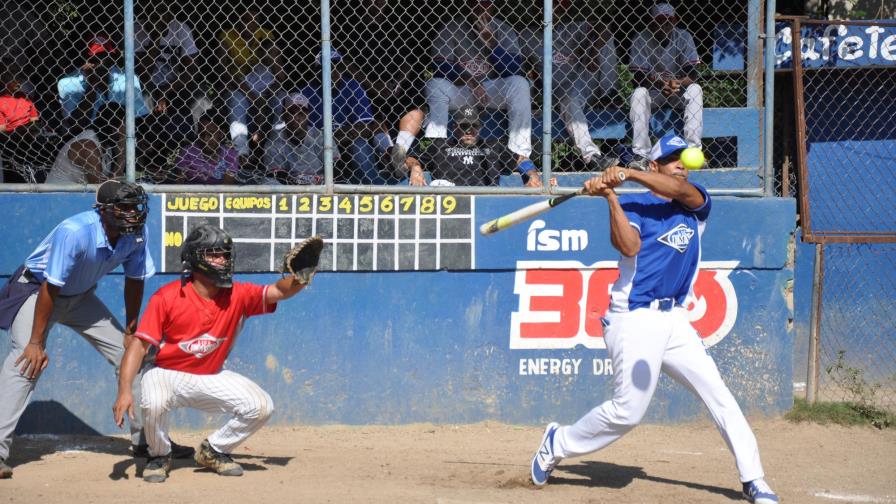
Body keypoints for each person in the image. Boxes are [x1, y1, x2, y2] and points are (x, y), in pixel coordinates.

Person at [529, 134, 779, 504]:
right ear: (654, 165)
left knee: (718, 394)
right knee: (628, 413)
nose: (681, 164)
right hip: (633, 317)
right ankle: (558, 441)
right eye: (672, 159)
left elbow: (680, 190)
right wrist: (611, 197)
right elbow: (629, 246)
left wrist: (627, 173)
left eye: (683, 158)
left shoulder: (694, 203)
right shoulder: (635, 204)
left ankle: (754, 479)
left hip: (675, 319)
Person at [0, 181, 193, 480]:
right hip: (37, 292)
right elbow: (51, 286)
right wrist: (36, 342)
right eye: (124, 207)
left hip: (80, 297)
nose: (132, 213)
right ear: (103, 210)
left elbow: (135, 279)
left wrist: (131, 330)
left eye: (135, 207)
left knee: (136, 356)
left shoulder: (135, 233)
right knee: (26, 362)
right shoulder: (75, 231)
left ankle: (149, 442)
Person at [112, 226, 316, 483]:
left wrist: (300, 277)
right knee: (153, 402)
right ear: (194, 258)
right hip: (166, 374)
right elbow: (139, 346)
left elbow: (278, 291)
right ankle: (159, 456)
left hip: (210, 375)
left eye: (225, 254)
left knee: (261, 406)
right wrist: (125, 390)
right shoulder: (167, 297)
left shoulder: (238, 294)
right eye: (214, 254)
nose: (222, 260)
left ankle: (214, 450)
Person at [425, 0, 532, 168]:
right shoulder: (452, 27)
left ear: (493, 5)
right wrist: (468, 79)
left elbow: (514, 69)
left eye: (485, 3)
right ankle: (438, 152)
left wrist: (492, 44)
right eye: (475, 3)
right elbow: (440, 66)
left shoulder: (502, 29)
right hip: (462, 89)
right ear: (467, 4)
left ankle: (520, 156)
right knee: (435, 84)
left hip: (491, 91)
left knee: (520, 84)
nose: (480, 7)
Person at [522, 0, 619, 171]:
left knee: (606, 40)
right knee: (569, 98)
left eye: (556, 6)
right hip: (557, 92)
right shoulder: (527, 36)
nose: (550, 10)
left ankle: (609, 94)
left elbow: (603, 27)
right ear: (535, 7)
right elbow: (519, 67)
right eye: (543, 5)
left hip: (586, 84)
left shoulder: (572, 28)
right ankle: (592, 156)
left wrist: (593, 49)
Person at [627, 3, 702, 170]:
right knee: (638, 93)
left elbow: (693, 74)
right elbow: (638, 78)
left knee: (696, 89)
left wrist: (676, 83)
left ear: (674, 22)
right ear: (652, 22)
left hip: (677, 91)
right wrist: (661, 84)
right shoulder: (641, 38)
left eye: (669, 21)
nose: (664, 25)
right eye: (660, 21)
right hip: (653, 92)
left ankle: (693, 151)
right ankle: (641, 156)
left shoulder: (683, 36)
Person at [298, 49, 388, 184]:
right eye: (328, 67)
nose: (334, 71)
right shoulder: (305, 93)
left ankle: (374, 186)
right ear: (317, 70)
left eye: (338, 66)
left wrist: (332, 138)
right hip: (317, 151)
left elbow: (364, 128)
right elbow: (303, 136)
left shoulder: (352, 86)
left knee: (360, 145)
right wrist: (339, 135)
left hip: (347, 146)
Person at [402, 105, 542, 187]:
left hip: (486, 200)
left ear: (480, 127)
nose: (469, 131)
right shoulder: (439, 145)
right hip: (449, 198)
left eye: (474, 126)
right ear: (454, 127)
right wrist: (415, 167)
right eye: (464, 126)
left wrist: (533, 175)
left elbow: (521, 159)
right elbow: (410, 158)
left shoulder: (493, 146)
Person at [57, 33, 151, 129]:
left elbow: (140, 116)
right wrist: (92, 86)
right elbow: (75, 125)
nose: (102, 63)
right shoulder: (67, 83)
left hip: (121, 132)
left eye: (106, 57)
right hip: (86, 134)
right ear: (86, 60)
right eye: (95, 59)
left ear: (113, 59)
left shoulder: (127, 79)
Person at [261, 93, 336, 185]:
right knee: (268, 182)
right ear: (283, 115)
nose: (296, 117)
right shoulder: (274, 142)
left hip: (321, 185)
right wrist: (299, 183)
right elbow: (278, 174)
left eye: (301, 113)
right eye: (291, 113)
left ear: (307, 115)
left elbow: (336, 166)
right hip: (289, 187)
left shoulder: (320, 136)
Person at [45, 102, 125, 184]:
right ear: (114, 129)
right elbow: (100, 186)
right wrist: (121, 157)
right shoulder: (88, 146)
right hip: (59, 191)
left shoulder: (106, 145)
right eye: (126, 127)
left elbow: (111, 180)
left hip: (78, 190)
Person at [175, 110, 239, 184]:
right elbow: (179, 183)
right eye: (202, 134)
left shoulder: (230, 155)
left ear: (221, 134)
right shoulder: (188, 152)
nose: (205, 139)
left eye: (210, 134)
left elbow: (227, 186)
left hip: (219, 191)